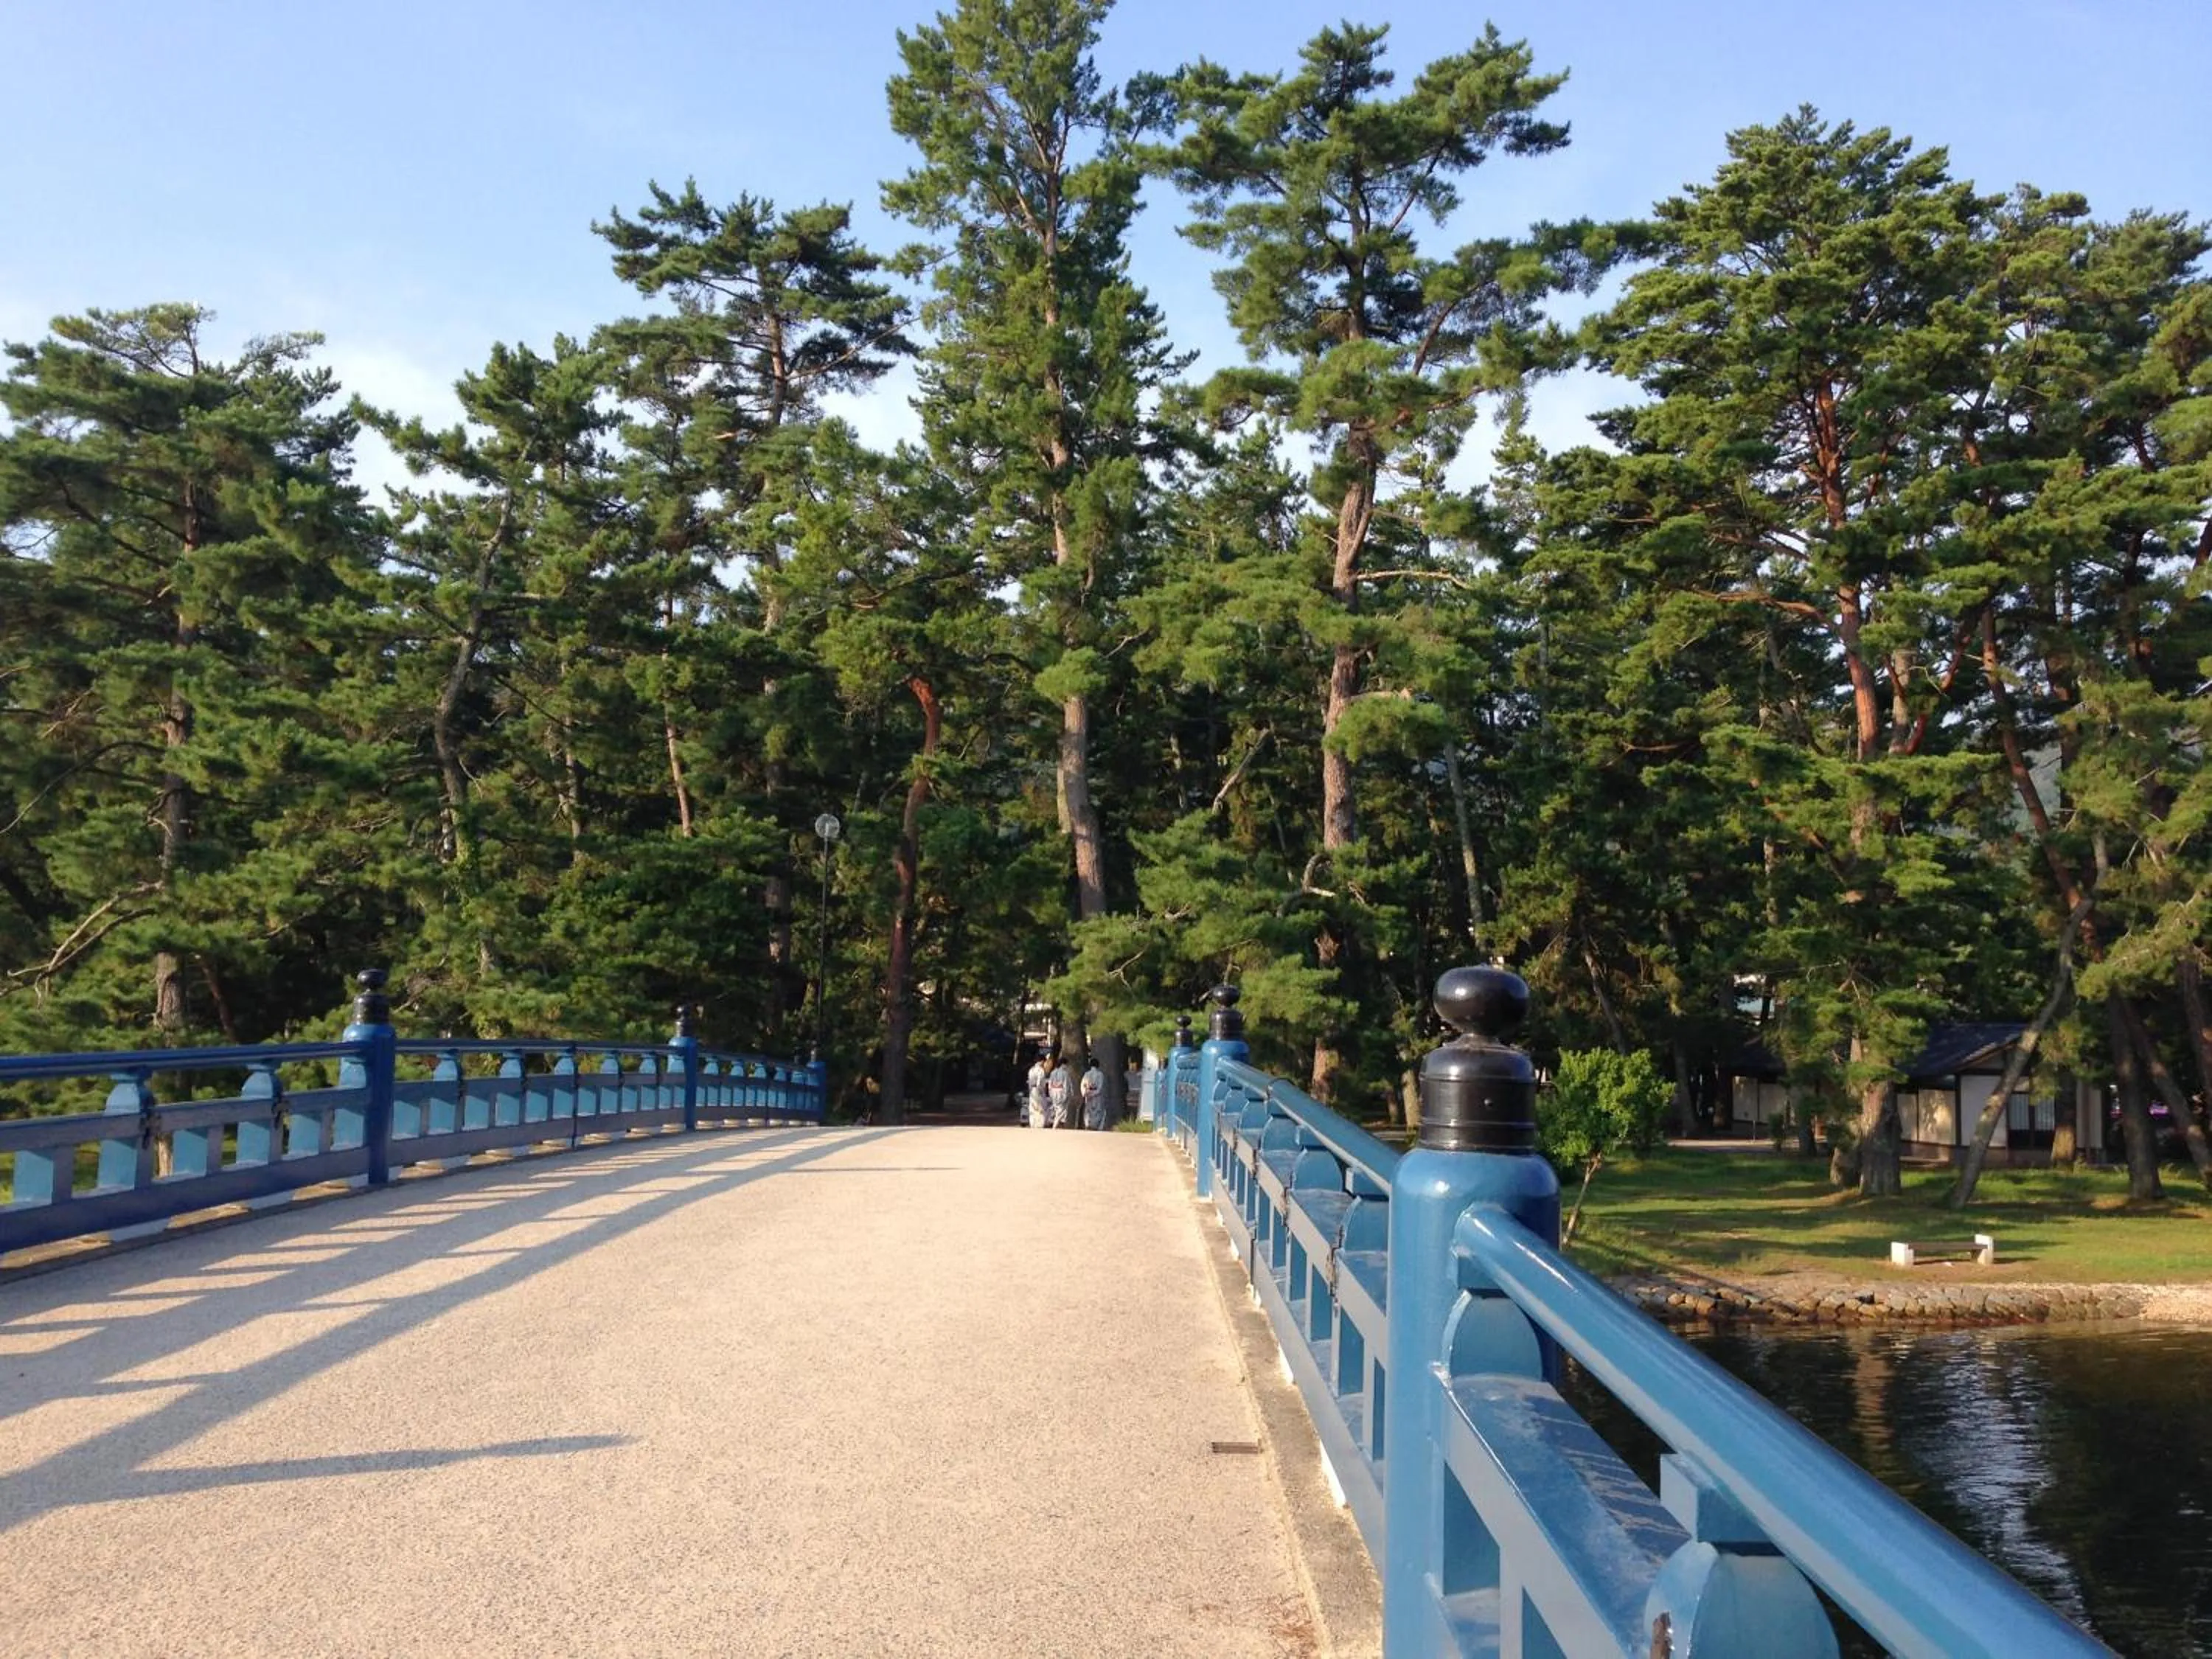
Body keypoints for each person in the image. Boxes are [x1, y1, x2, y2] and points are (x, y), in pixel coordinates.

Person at [1080, 1056, 1107, 1130]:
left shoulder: (1087, 1074)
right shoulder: (1100, 1074)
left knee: (1088, 1111)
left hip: (1088, 1095)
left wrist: (1085, 1093)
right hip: (1097, 1096)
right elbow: (1100, 1087)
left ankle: (1088, 1125)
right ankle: (1095, 1127)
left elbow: (1083, 1085)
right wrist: (1094, 1093)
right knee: (1098, 1111)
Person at [1026, 1051, 1051, 1130]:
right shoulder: (1041, 1070)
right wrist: (1041, 1090)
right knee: (1041, 1107)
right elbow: (1040, 1082)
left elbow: (1029, 1082)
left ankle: (1033, 1123)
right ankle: (1040, 1124)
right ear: (1042, 1061)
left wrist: (1030, 1090)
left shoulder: (1031, 1070)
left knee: (1033, 1107)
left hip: (1032, 1090)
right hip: (1038, 1090)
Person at [1046, 1055, 1072, 1128]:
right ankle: (1056, 1125)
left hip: (1054, 1092)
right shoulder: (1065, 1073)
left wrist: (1050, 1093)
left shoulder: (1053, 1072)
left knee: (1057, 1109)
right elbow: (1066, 1085)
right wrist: (1067, 1095)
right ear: (1063, 1064)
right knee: (1061, 1110)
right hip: (1061, 1092)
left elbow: (1050, 1085)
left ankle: (1058, 1124)